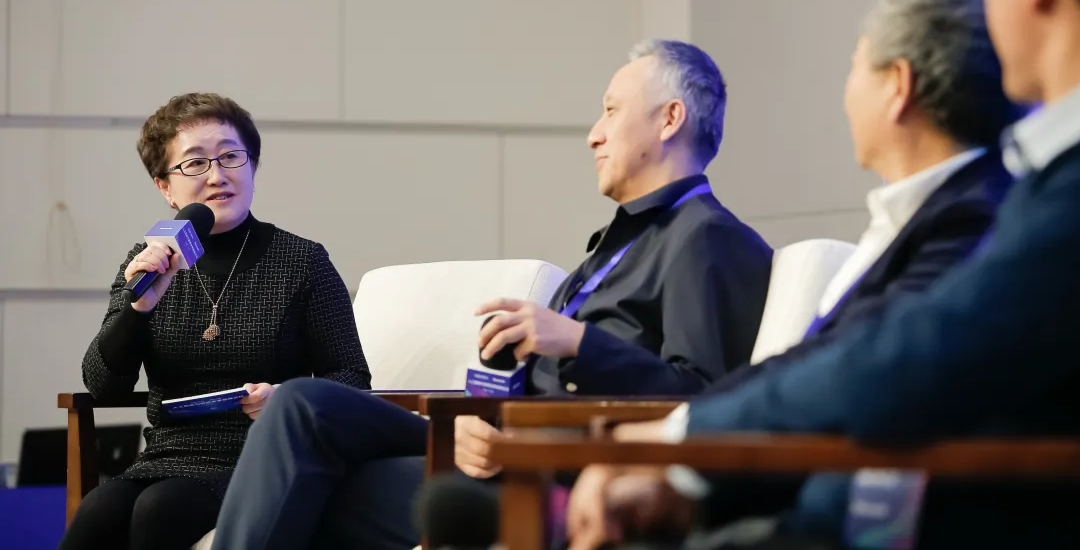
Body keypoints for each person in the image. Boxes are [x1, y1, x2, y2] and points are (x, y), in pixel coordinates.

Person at [561, 0, 1080, 547]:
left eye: (854, 66)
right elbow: (832, 364)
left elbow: (905, 361)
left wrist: (680, 449)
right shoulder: (1025, 186)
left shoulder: (1002, 206)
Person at [421, 0, 1027, 549]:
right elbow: (803, 369)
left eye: (853, 68)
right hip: (614, 468)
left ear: (897, 86)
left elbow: (821, 378)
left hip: (844, 512)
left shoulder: (970, 223)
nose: (593, 134)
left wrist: (661, 446)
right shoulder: (911, 221)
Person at [209, 40, 774, 550]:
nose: (594, 134)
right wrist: (490, 410)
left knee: (313, 481)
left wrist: (579, 343)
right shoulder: (621, 242)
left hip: (555, 473)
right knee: (304, 404)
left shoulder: (707, 239)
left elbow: (705, 401)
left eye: (611, 111)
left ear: (670, 118)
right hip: (502, 441)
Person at [58, 93, 371, 550]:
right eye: (195, 163)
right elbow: (103, 386)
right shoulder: (150, 262)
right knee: (99, 512)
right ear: (165, 187)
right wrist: (139, 306)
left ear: (252, 167)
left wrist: (288, 400)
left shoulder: (302, 262)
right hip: (167, 453)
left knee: (161, 509)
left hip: (267, 453)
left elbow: (353, 376)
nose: (217, 175)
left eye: (230, 157)